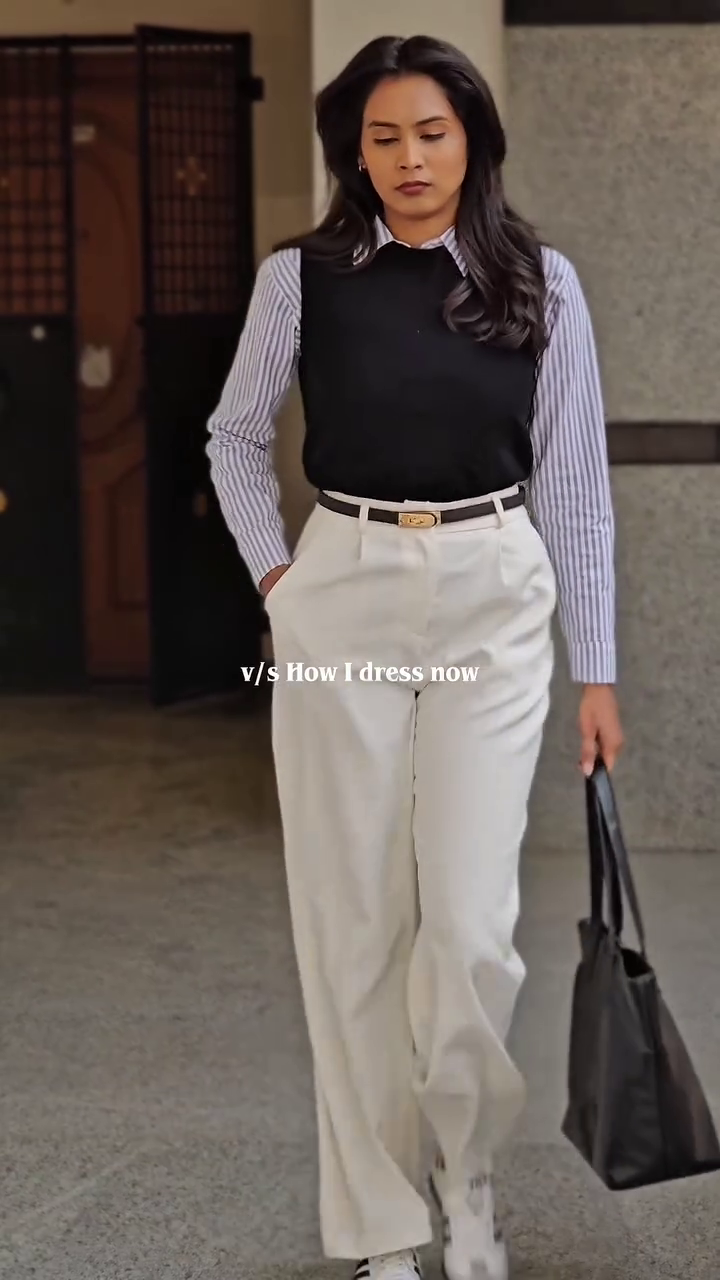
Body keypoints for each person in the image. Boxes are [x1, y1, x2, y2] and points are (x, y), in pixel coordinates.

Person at [206, 33, 624, 1280]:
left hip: (495, 595)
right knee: (352, 923)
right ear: (354, 151)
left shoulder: (541, 280)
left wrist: (595, 666)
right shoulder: (305, 277)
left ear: (474, 140)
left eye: (430, 133)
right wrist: (285, 586)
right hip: (346, 591)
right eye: (382, 138)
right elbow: (233, 438)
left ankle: (470, 1175)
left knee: (475, 925)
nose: (407, 160)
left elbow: (582, 491)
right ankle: (387, 1226)